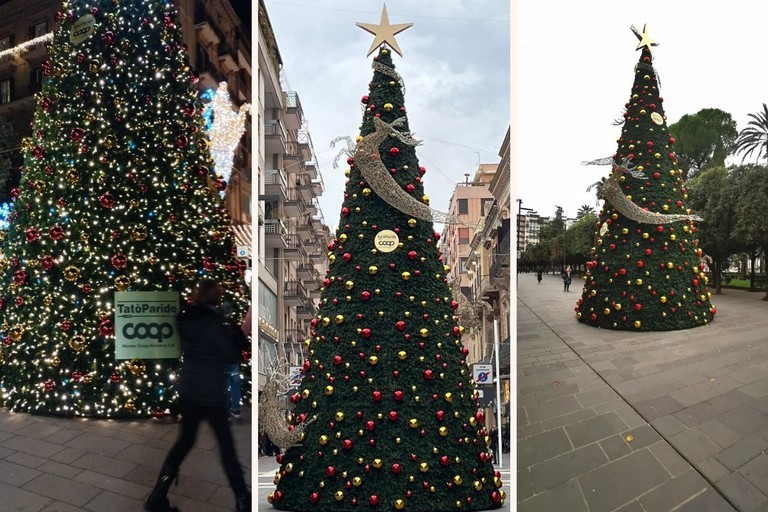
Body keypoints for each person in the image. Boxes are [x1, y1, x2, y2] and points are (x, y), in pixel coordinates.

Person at [145, 279, 251, 512]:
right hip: (211, 393)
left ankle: (157, 495)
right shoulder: (215, 324)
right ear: (216, 297)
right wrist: (239, 332)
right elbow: (231, 354)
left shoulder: (187, 318)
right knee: (226, 446)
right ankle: (243, 499)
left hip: (189, 389)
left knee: (184, 441)